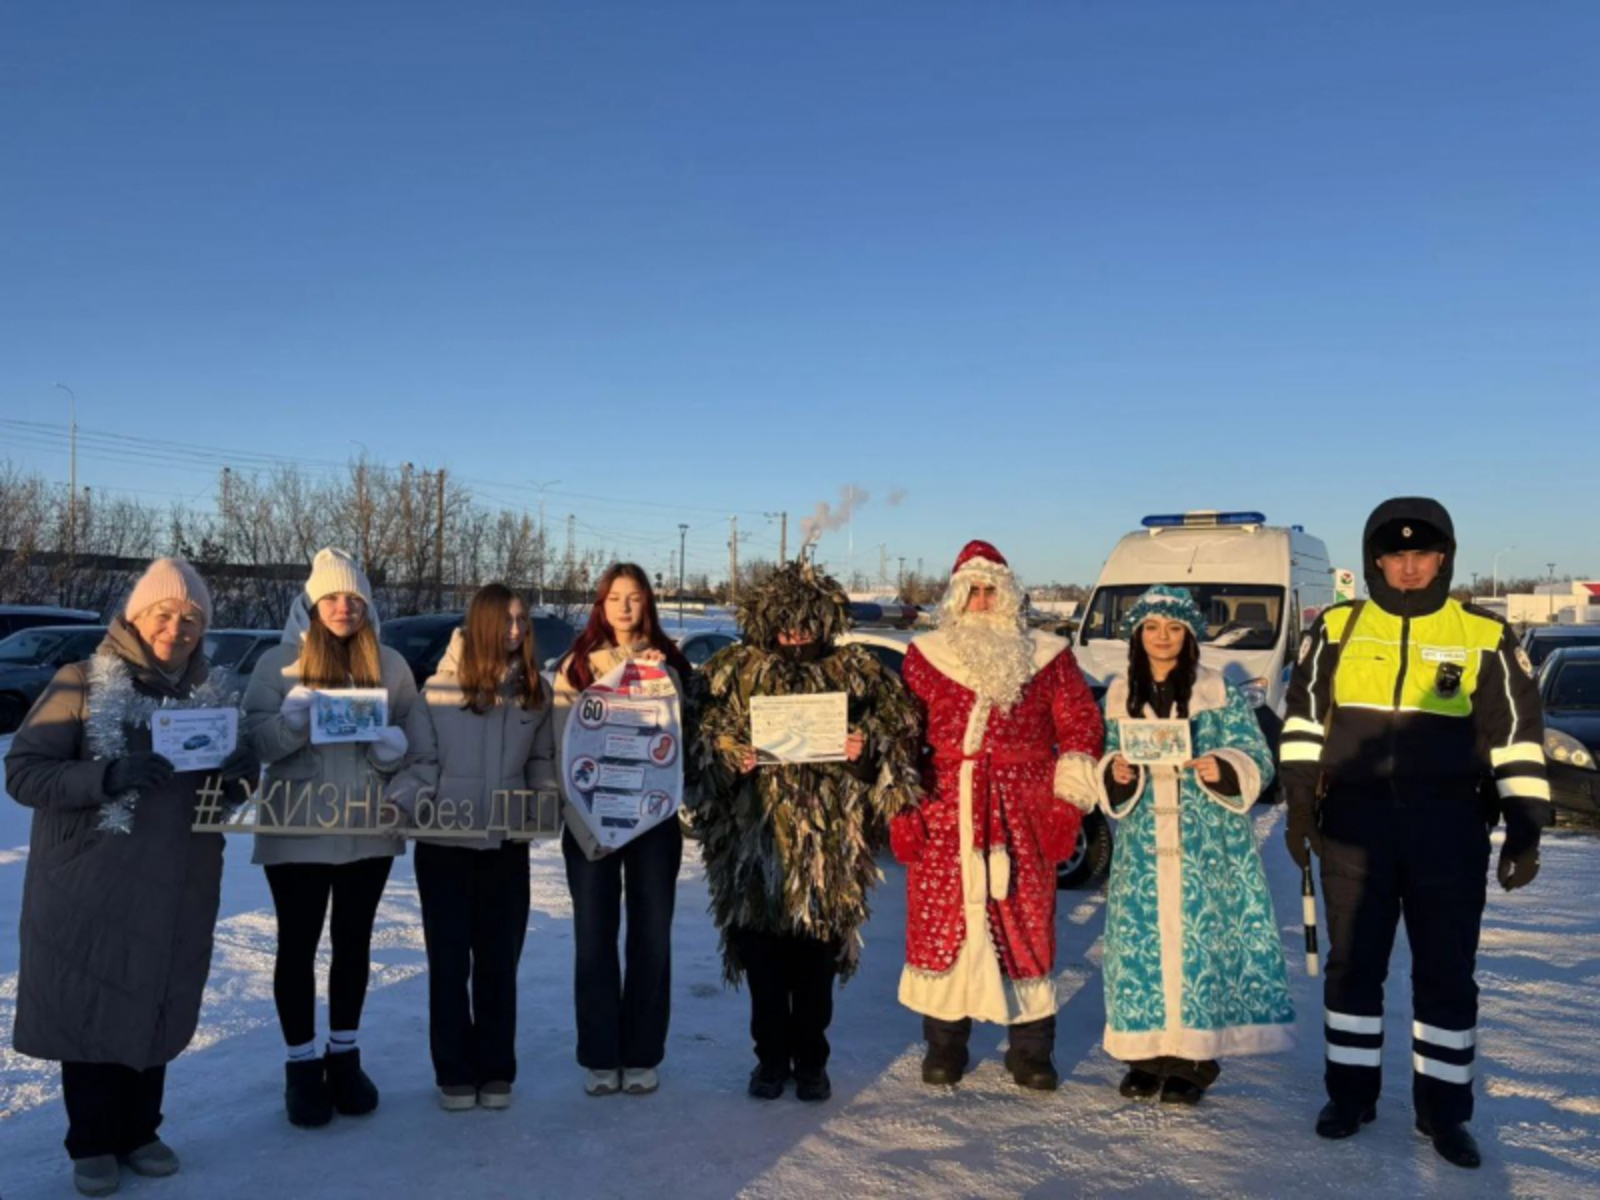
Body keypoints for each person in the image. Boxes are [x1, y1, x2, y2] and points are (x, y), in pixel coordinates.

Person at [1281, 498, 1551, 1169]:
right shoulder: (1337, 628)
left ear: (1444, 558)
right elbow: (1304, 723)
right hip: (1355, 829)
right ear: (1375, 559)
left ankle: (1445, 1113)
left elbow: (1515, 740)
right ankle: (1350, 1096)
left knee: (1447, 977)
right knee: (1353, 972)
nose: (1408, 566)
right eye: (1395, 554)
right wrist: (1297, 809)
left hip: (1448, 831)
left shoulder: (1483, 635)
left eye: (1422, 554)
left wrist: (1525, 828)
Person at [6, 558, 257, 1197]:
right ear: (136, 617)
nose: (178, 628)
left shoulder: (212, 697)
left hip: (179, 878)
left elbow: (227, 790)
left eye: (192, 619)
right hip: (92, 879)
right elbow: (24, 773)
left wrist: (235, 778)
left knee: (157, 998)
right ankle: (91, 1139)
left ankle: (141, 1129)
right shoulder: (82, 682)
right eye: (164, 614)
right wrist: (106, 777)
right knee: (92, 1000)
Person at [692, 561, 921, 1103]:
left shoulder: (858, 673)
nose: (796, 637)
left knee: (815, 972)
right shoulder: (732, 671)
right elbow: (700, 744)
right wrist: (729, 756)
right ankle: (769, 1061)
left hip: (829, 858)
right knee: (765, 971)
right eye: (785, 624)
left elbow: (899, 739)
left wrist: (864, 753)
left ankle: (811, 1061)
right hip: (755, 852)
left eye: (806, 625)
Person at [891, 540, 1104, 1091]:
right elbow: (902, 737)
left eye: (990, 591)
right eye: (972, 592)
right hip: (946, 809)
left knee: (1025, 925)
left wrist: (1068, 802)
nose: (982, 602)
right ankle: (945, 1045)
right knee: (943, 927)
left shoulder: (1048, 657)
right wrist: (901, 805)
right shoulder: (926, 655)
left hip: (1022, 815)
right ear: (957, 599)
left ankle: (1032, 1052)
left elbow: (1081, 727)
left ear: (1007, 597)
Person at [1094, 586, 1293, 1105]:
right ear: (1138, 635)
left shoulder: (1216, 690)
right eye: (1154, 629)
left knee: (1200, 945)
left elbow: (1256, 754)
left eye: (1174, 629)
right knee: (1144, 947)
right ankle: (1146, 1054)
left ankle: (1194, 1061)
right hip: (1143, 843)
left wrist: (1222, 764)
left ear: (1188, 634)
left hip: (1206, 839)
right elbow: (1111, 757)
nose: (1163, 639)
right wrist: (1114, 772)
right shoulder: (1119, 694)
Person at [242, 548, 418, 1129]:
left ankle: (344, 1057)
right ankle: (300, 1067)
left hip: (368, 828)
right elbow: (253, 747)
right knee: (297, 946)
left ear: (367, 604)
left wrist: (398, 760)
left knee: (354, 943)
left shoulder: (389, 664)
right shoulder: (279, 664)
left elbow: (417, 743)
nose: (344, 608)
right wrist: (288, 725)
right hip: (296, 827)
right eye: (333, 597)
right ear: (313, 601)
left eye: (355, 598)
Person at [392, 583, 557, 1111]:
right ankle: (454, 1071)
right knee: (448, 962)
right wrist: (404, 800)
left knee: (499, 961)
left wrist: (543, 801)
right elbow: (421, 761)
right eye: (507, 621)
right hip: (445, 847)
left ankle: (496, 1069)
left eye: (523, 622)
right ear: (482, 624)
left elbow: (541, 762)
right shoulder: (438, 691)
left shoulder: (536, 691)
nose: (516, 631)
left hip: (506, 846)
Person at [552, 564, 693, 1098]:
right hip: (590, 825)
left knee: (651, 937)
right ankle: (599, 1055)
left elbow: (685, 744)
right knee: (594, 939)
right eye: (615, 598)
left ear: (649, 604)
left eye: (635, 598)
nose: (626, 608)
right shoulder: (575, 666)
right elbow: (560, 748)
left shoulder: (671, 663)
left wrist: (667, 681)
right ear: (601, 604)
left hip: (653, 822)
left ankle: (642, 1053)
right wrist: (580, 820)